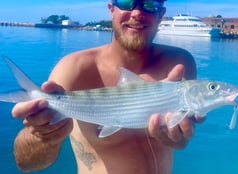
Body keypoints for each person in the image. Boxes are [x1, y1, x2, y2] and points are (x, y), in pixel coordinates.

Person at [12, 0, 203, 174]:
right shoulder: (74, 69)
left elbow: (181, 128)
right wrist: (43, 136)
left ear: (161, 14)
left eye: (150, 4)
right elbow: (26, 163)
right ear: (111, 9)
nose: (136, 13)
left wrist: (181, 136)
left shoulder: (180, 61)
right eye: (127, 2)